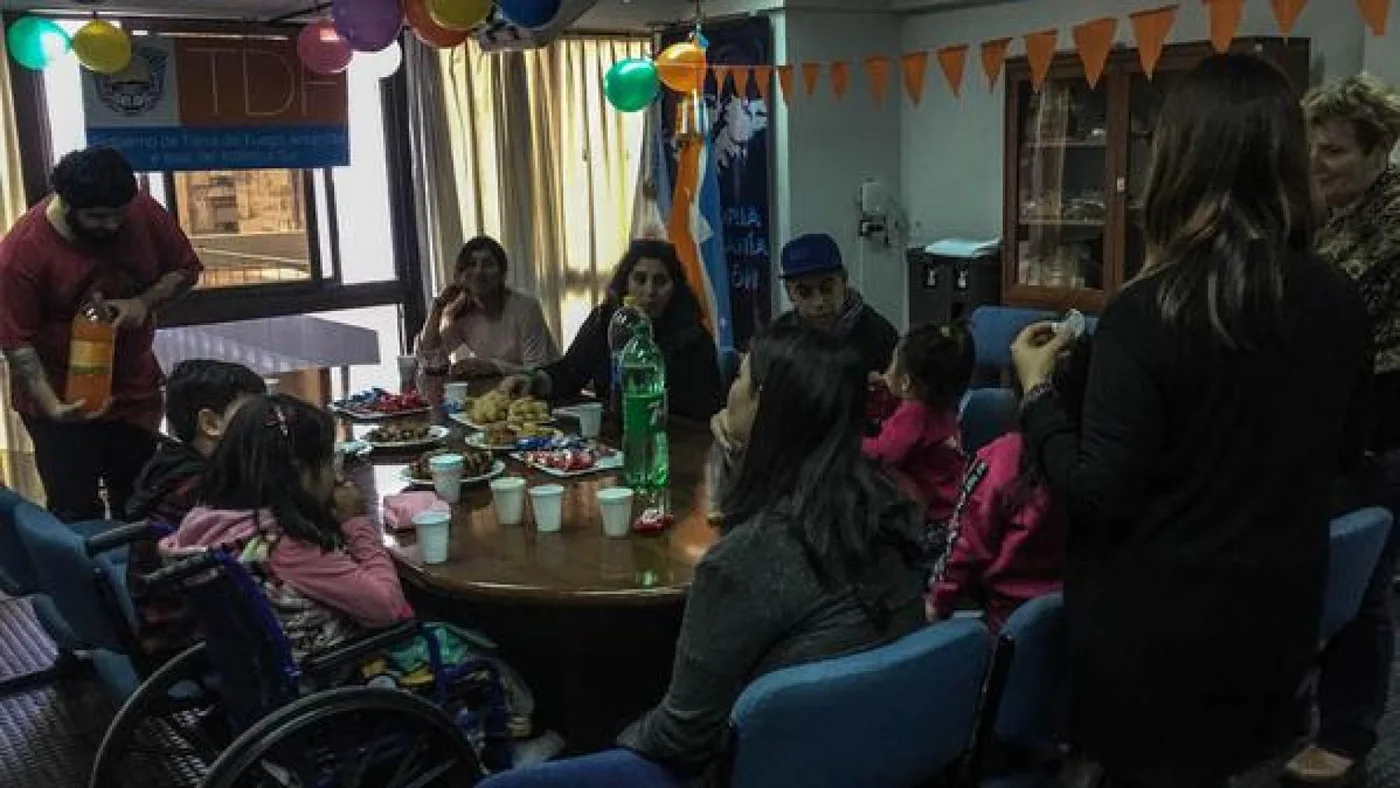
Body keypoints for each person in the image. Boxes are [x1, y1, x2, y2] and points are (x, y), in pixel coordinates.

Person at [1009, 54, 1372, 786]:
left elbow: (1093, 493)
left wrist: (1039, 395)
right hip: (1274, 629)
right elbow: (1344, 453)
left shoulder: (1150, 312)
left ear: (1177, 162)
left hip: (1153, 652)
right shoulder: (1336, 298)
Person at [613, 325, 927, 784]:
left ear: (763, 404)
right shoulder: (885, 509)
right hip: (873, 759)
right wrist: (746, 460)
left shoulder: (744, 562)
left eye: (739, 380)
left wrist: (611, 739)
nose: (729, 393)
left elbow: (680, 739)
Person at [1287, 73, 1400, 787]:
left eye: (1332, 150)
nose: (1316, 161)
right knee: (1314, 575)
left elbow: (1319, 305)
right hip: (1324, 421)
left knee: (1364, 581)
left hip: (1382, 423)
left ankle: (1350, 731)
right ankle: (1307, 707)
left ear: (1377, 151)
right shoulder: (1326, 214)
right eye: (1312, 148)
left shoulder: (1392, 224)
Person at [0, 146, 202, 521]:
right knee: (75, 508)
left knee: (143, 500)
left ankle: (138, 577)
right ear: (66, 203)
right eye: (97, 217)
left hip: (133, 390)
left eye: (117, 216)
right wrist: (52, 406)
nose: (110, 225)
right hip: (61, 397)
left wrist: (142, 303)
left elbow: (185, 270)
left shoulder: (140, 210)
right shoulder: (21, 253)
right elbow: (16, 343)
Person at [160, 394, 413, 659]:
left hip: (250, 671)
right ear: (300, 473)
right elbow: (387, 608)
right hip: (331, 671)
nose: (338, 475)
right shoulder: (285, 544)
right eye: (329, 462)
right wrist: (356, 522)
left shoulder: (204, 518)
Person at [927, 334, 1089, 632]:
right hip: (1082, 626)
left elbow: (964, 551)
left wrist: (936, 605)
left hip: (1006, 632)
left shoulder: (999, 460)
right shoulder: (1104, 458)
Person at [124, 360, 266, 664]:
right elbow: (262, 557)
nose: (265, 425)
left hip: (162, 626)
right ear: (211, 424)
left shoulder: (170, 466)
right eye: (254, 415)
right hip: (198, 640)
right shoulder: (210, 491)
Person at [500, 238, 724, 421]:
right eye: (640, 279)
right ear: (625, 283)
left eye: (660, 281)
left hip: (672, 442)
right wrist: (534, 380)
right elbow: (570, 371)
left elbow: (707, 413)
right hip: (612, 438)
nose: (649, 291)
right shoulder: (605, 320)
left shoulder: (694, 337)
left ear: (674, 289)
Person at [862, 321, 975, 526]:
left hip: (931, 518)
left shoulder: (915, 414)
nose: (886, 370)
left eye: (891, 364)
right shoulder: (942, 405)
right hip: (953, 508)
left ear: (905, 382)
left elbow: (882, 454)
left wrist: (852, 443)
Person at [415, 236, 559, 383]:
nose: (479, 272)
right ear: (460, 275)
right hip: (501, 394)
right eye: (471, 264)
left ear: (502, 273)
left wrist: (493, 367)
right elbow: (430, 360)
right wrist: (437, 307)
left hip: (550, 392)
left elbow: (538, 372)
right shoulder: (462, 312)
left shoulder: (526, 307)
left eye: (488, 265)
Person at [772, 232, 899, 375]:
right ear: (789, 292)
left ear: (844, 280)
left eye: (827, 288)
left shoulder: (880, 336)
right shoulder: (778, 340)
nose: (819, 302)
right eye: (804, 292)